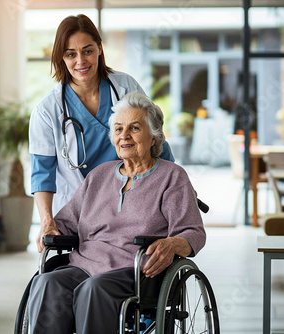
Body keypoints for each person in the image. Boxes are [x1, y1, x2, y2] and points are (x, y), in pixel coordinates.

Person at [28, 92, 206, 334]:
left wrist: (173, 245)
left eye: (134, 128)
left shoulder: (171, 177)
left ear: (153, 137)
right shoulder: (99, 175)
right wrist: (50, 226)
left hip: (136, 272)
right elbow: (68, 221)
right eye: (119, 129)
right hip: (84, 265)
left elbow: (193, 231)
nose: (124, 136)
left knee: (93, 289)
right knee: (48, 281)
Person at [28, 14, 175, 253]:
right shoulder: (47, 110)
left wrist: (175, 184)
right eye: (70, 54)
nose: (80, 61)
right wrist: (47, 221)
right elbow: (42, 172)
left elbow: (154, 139)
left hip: (134, 202)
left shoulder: (125, 87)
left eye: (87, 51)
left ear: (99, 48)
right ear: (61, 58)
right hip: (83, 211)